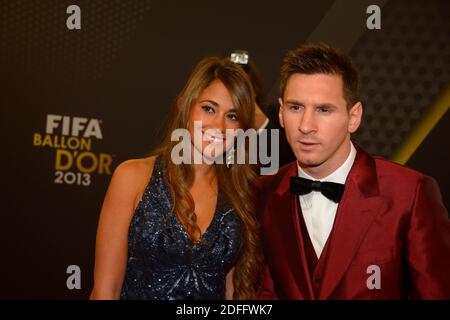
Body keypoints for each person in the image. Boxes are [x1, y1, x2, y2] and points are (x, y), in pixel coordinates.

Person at [258, 43, 450, 299]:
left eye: (324, 110)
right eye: (296, 108)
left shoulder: (410, 193)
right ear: (281, 113)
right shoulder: (262, 193)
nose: (306, 126)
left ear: (354, 116)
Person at [90, 56, 261, 300]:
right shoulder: (132, 177)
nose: (219, 126)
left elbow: (231, 290)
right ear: (184, 107)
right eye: (209, 109)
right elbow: (106, 290)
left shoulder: (239, 195)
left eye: (232, 116)